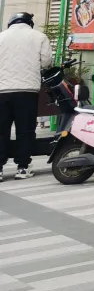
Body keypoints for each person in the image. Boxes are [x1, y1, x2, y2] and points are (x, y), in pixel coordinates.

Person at [0, 12, 54, 180]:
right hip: (27, 91)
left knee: (1, 130)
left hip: (2, 91)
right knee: (25, 131)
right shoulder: (39, 37)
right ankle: (22, 167)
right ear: (29, 23)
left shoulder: (1, 37)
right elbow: (46, 62)